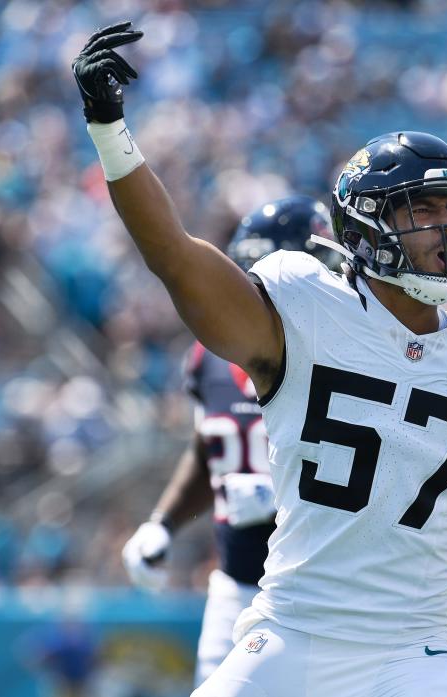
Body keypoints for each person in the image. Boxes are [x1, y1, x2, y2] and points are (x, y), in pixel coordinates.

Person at [72, 22, 447, 697]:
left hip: (412, 651)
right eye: (424, 210)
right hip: (293, 631)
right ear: (365, 227)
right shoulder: (304, 307)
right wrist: (109, 127)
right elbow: (174, 256)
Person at [120, 195, 341, 686]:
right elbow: (210, 446)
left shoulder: (342, 358)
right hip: (237, 583)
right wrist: (164, 522)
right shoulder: (209, 359)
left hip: (324, 593)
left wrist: (279, 498)